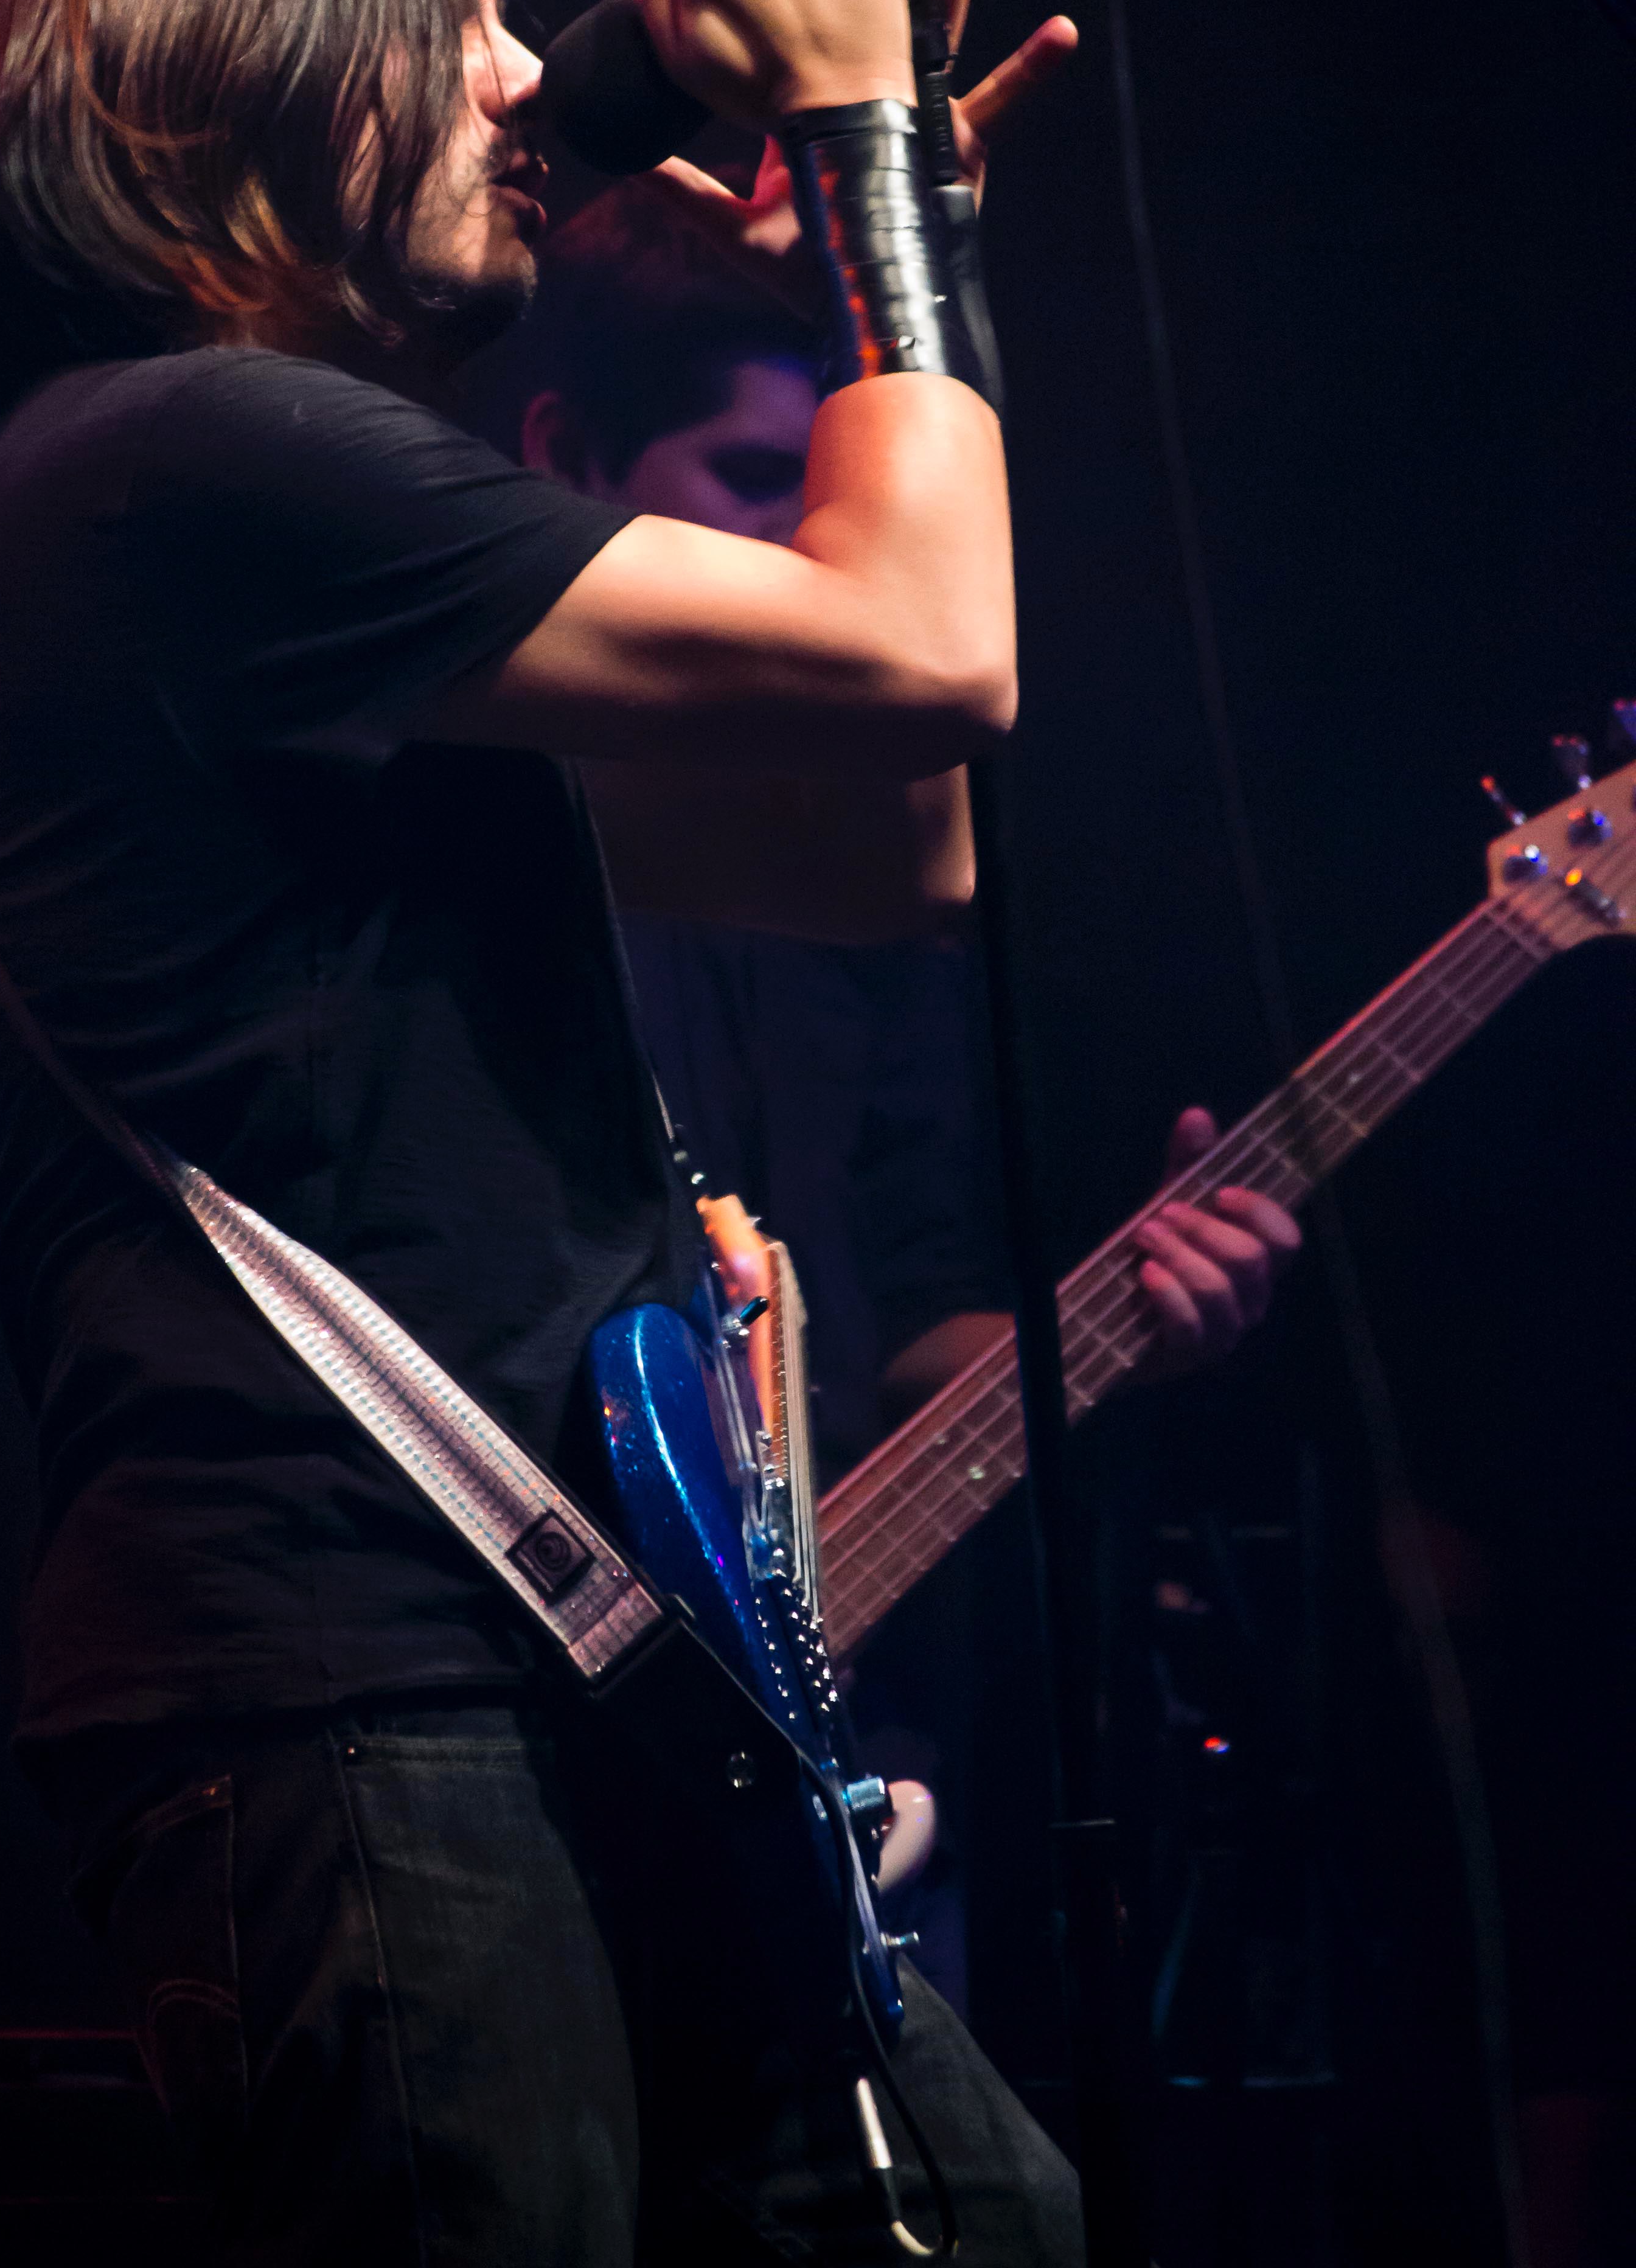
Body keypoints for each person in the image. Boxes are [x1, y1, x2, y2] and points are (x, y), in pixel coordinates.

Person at [0, 0, 1262, 2266]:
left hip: (557, 1658)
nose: (531, 69)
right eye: (462, 14)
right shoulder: (181, 457)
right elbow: (938, 651)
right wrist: (863, 170)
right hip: (354, 1683)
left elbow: (892, 834)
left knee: (981, 2222)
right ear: (258, 79)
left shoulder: (253, 515)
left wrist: (860, 258)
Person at [495, 184, 1301, 2003]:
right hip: (548, 1699)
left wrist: (1127, 1323)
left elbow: (919, 1312)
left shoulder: (866, 883)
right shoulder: (489, 816)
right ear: (567, 452)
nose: (814, 542)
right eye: (756, 475)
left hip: (846, 1723)